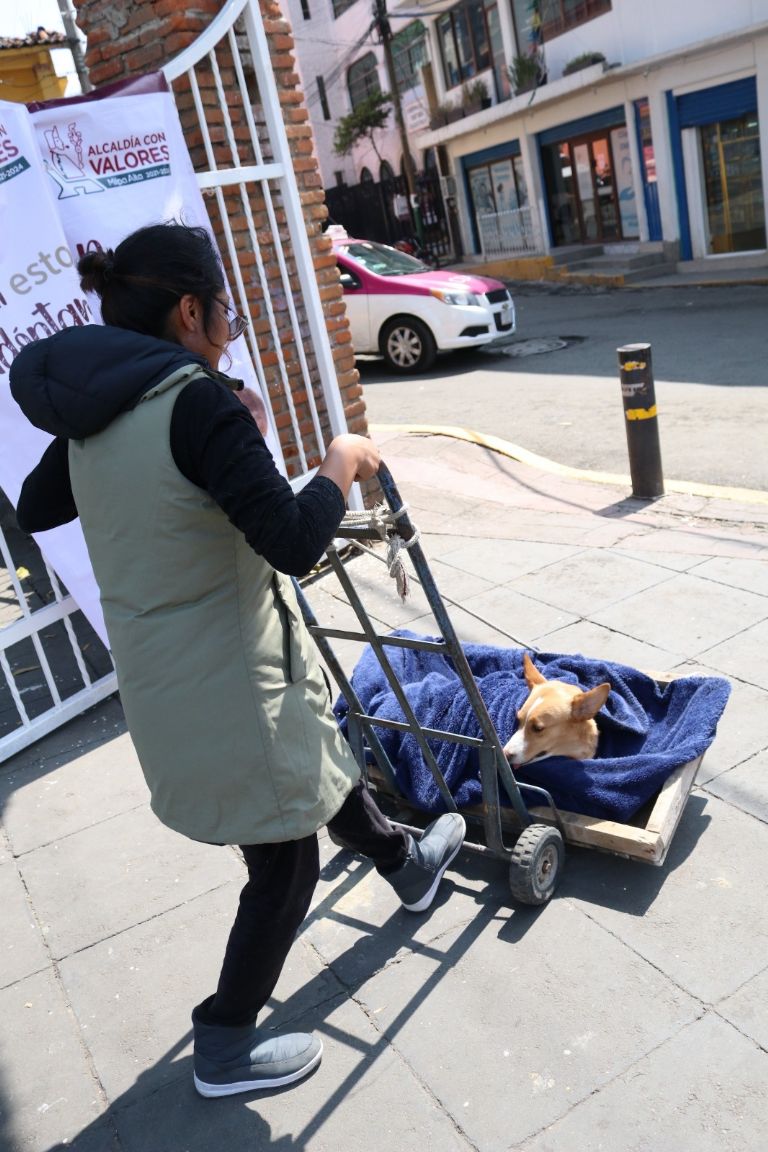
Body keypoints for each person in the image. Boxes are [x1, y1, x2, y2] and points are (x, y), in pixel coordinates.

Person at [10, 223, 465, 1099]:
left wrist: (182, 452)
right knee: (285, 858)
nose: (229, 322)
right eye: (224, 307)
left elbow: (39, 505)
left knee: (317, 772)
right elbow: (293, 542)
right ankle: (224, 1041)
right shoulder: (195, 403)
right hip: (228, 675)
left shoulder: (101, 419)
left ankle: (407, 867)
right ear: (190, 311)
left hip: (165, 674)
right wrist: (340, 460)